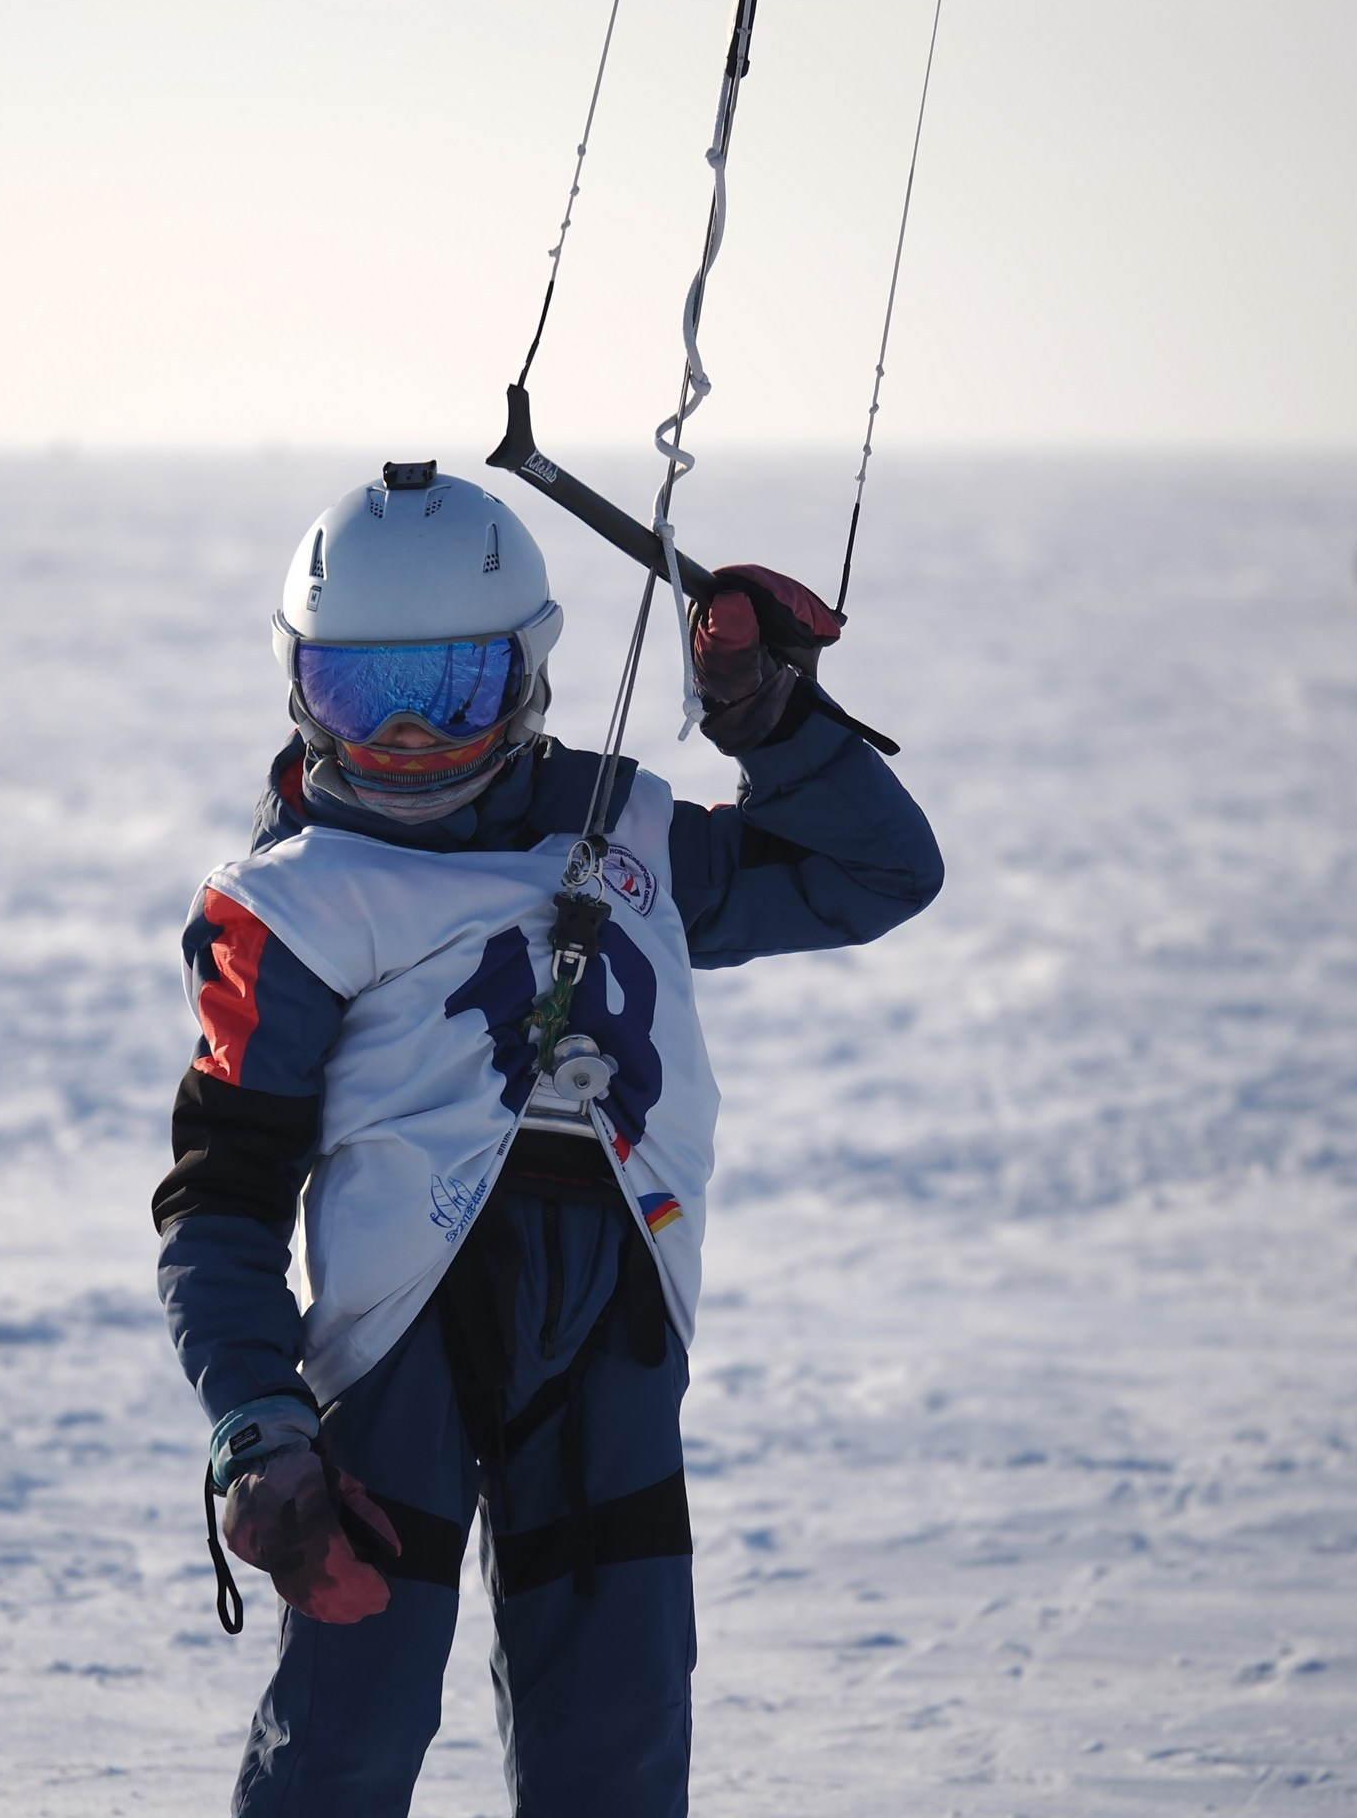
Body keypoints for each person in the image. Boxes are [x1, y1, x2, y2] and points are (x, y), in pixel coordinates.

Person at [153, 461, 943, 1816]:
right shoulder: (290, 907)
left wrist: (773, 717)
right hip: (404, 1346)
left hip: (609, 1334)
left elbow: (878, 874)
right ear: (300, 689)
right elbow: (221, 1201)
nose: (406, 747)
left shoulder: (626, 835)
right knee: (351, 1717)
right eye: (362, 701)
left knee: (618, 1724)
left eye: (448, 696)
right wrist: (259, 1423)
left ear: (527, 678)